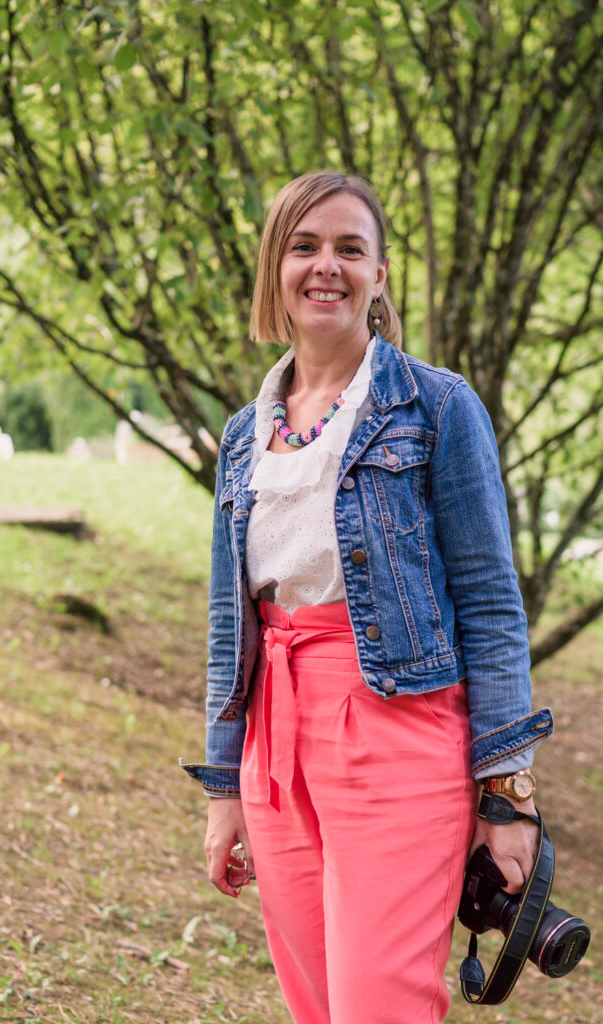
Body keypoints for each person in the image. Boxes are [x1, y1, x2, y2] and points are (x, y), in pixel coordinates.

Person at [180, 170, 553, 1024]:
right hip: (273, 747)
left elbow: (492, 604)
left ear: (379, 276)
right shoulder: (245, 434)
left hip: (395, 729)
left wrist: (506, 795)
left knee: (376, 1006)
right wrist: (221, 786)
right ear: (274, 266)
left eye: (351, 249)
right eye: (304, 246)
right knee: (316, 1004)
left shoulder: (436, 405)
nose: (327, 266)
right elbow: (226, 623)